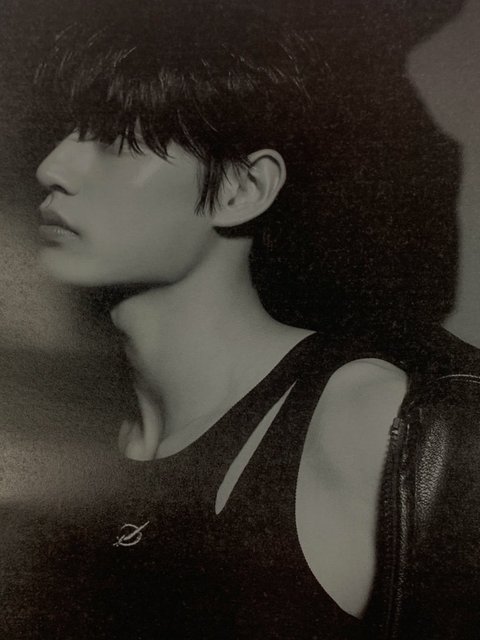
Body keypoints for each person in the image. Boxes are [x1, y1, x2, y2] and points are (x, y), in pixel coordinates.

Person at [29, 2, 480, 639]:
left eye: (114, 139)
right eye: (64, 132)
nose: (51, 169)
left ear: (241, 189)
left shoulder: (364, 418)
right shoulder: (57, 439)